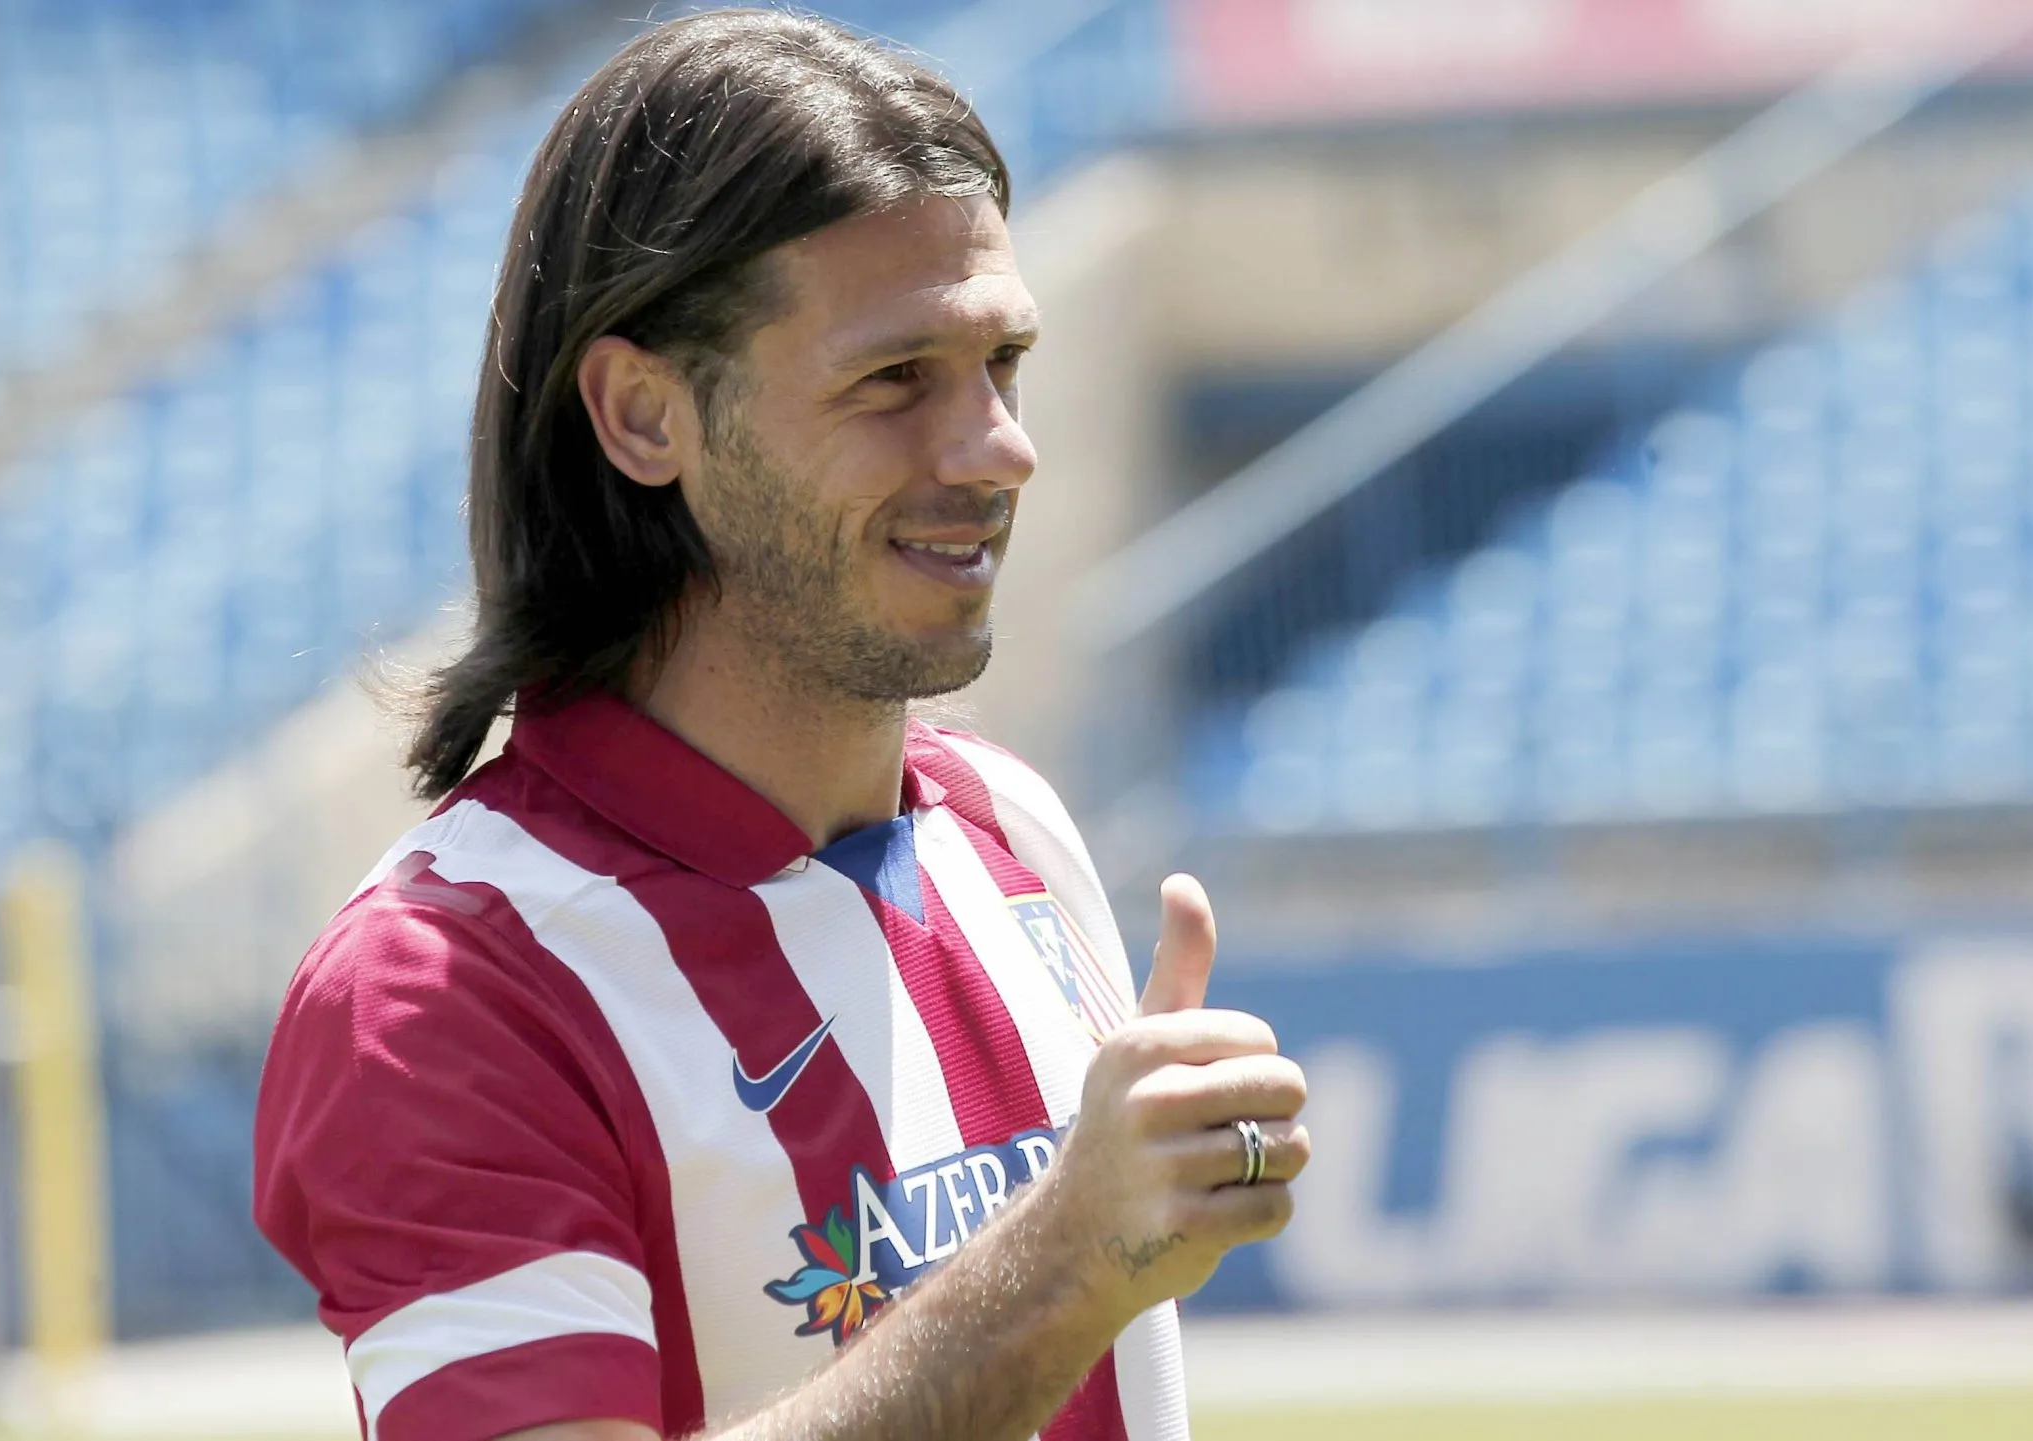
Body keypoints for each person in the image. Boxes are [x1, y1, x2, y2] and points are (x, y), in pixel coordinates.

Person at [250, 10, 1311, 1441]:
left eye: (1003, 364)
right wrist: (1069, 1258)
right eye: (894, 379)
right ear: (643, 414)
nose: (999, 448)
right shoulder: (447, 991)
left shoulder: (1004, 824)